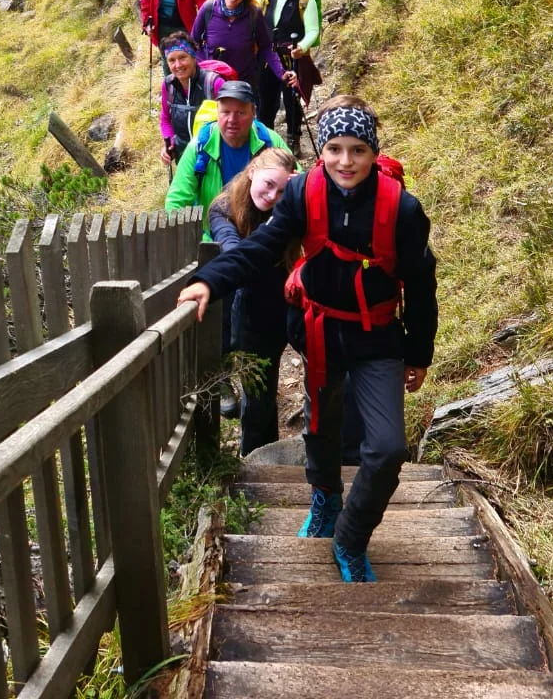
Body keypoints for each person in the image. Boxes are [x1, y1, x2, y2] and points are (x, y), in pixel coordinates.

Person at [177, 98, 437, 584]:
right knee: (321, 427)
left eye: (357, 150)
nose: (345, 161)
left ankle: (351, 537)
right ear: (322, 153)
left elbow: (421, 284)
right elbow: (261, 249)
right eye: (335, 149)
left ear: (373, 152)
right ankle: (325, 499)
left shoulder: (402, 209)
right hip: (317, 329)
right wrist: (211, 281)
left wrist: (419, 352)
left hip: (378, 337)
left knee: (385, 449)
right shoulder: (303, 195)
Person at [208, 147, 297, 454]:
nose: (273, 195)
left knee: (328, 377)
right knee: (258, 389)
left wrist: (304, 191)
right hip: (255, 308)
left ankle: (331, 449)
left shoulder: (297, 204)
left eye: (283, 189)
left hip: (297, 302)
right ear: (251, 172)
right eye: (268, 184)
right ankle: (258, 457)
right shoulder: (224, 208)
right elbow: (234, 252)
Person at [165, 79, 286, 224]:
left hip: (262, 235)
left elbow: (297, 184)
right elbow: (177, 201)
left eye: (240, 113)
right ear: (217, 111)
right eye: (225, 112)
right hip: (212, 238)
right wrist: (195, 240)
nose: (232, 120)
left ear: (253, 112)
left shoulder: (269, 142)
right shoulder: (199, 147)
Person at [253, 0, 321, 153]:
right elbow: (254, 16)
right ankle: (266, 138)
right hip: (265, 55)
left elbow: (312, 30)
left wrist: (302, 47)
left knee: (292, 98)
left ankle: (294, 137)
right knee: (264, 98)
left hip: (291, 56)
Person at [191, 0, 298, 94]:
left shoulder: (253, 14)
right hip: (212, 80)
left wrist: (282, 72)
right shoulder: (209, 8)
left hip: (243, 80)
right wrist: (204, 68)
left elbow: (266, 47)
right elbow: (193, 43)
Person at [158, 35, 231, 174]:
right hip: (185, 157)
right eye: (172, 60)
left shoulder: (214, 83)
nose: (177, 65)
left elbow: (234, 118)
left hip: (217, 158)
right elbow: (165, 119)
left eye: (182, 57)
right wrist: (170, 144)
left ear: (193, 57)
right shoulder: (168, 85)